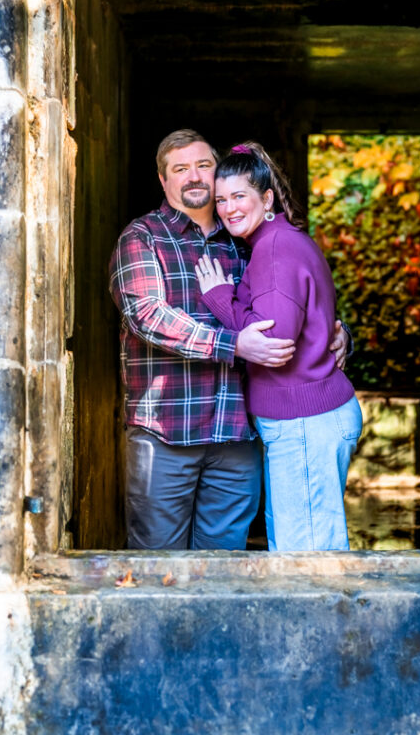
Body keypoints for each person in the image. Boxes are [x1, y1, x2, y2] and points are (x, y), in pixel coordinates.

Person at [109, 129, 349, 551]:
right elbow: (146, 315)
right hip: (168, 432)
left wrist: (337, 330)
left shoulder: (246, 238)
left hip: (236, 436)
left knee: (224, 564)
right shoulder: (142, 238)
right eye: (180, 169)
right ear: (164, 181)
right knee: (157, 563)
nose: (195, 176)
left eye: (204, 165)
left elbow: (293, 299)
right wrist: (231, 344)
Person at [196, 142, 363, 552]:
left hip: (306, 422)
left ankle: (322, 620)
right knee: (299, 547)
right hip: (306, 419)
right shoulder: (280, 241)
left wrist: (220, 297)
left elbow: (274, 343)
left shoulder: (273, 250)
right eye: (221, 200)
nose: (229, 208)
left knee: (306, 560)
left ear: (266, 197)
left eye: (240, 196)